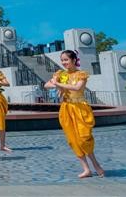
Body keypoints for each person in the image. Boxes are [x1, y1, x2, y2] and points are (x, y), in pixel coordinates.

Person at [45, 50, 105, 178]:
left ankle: (96, 164)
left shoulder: (81, 74)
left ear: (73, 60)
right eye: (62, 60)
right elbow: (46, 85)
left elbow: (77, 88)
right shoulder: (60, 74)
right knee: (73, 140)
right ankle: (86, 169)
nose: (64, 62)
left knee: (84, 138)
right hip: (66, 108)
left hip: (80, 108)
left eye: (66, 60)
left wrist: (58, 84)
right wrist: (55, 83)